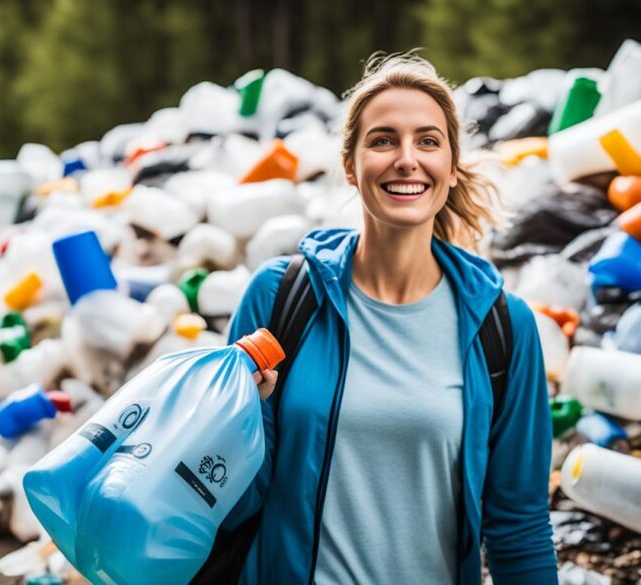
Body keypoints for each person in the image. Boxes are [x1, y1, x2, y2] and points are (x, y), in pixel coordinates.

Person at [221, 53, 557, 585]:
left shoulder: (503, 327)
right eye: (383, 141)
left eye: (428, 141)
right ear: (351, 166)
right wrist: (244, 414)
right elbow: (226, 499)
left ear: (449, 167)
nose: (407, 159)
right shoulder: (282, 297)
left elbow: (518, 525)